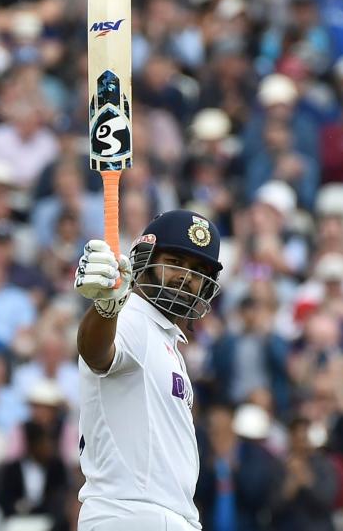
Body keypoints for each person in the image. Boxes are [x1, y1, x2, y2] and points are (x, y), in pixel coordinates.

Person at [74, 209, 224, 530]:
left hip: (160, 515)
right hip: (133, 513)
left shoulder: (163, 338)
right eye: (176, 262)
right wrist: (105, 308)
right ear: (145, 259)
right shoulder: (131, 317)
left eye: (198, 270)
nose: (186, 276)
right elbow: (96, 353)